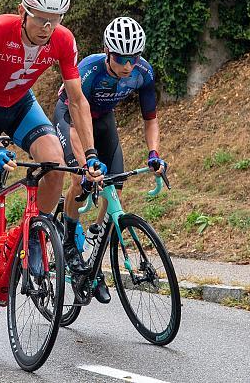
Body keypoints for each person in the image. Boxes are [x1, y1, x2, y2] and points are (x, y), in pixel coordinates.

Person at [0, 0, 106, 340]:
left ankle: (35, 239)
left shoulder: (62, 40)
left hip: (21, 105)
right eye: (40, 17)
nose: (46, 27)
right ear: (24, 10)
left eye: (54, 20)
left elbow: (77, 99)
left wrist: (89, 154)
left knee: (55, 165)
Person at [53, 16, 167, 304]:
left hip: (103, 120)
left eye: (134, 57)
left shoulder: (143, 73)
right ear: (107, 51)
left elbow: (150, 119)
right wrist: (87, 163)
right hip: (71, 120)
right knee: (82, 180)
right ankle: (68, 241)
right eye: (120, 57)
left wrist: (154, 153)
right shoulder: (89, 70)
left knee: (115, 187)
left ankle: (95, 241)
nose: (127, 65)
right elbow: (75, 121)